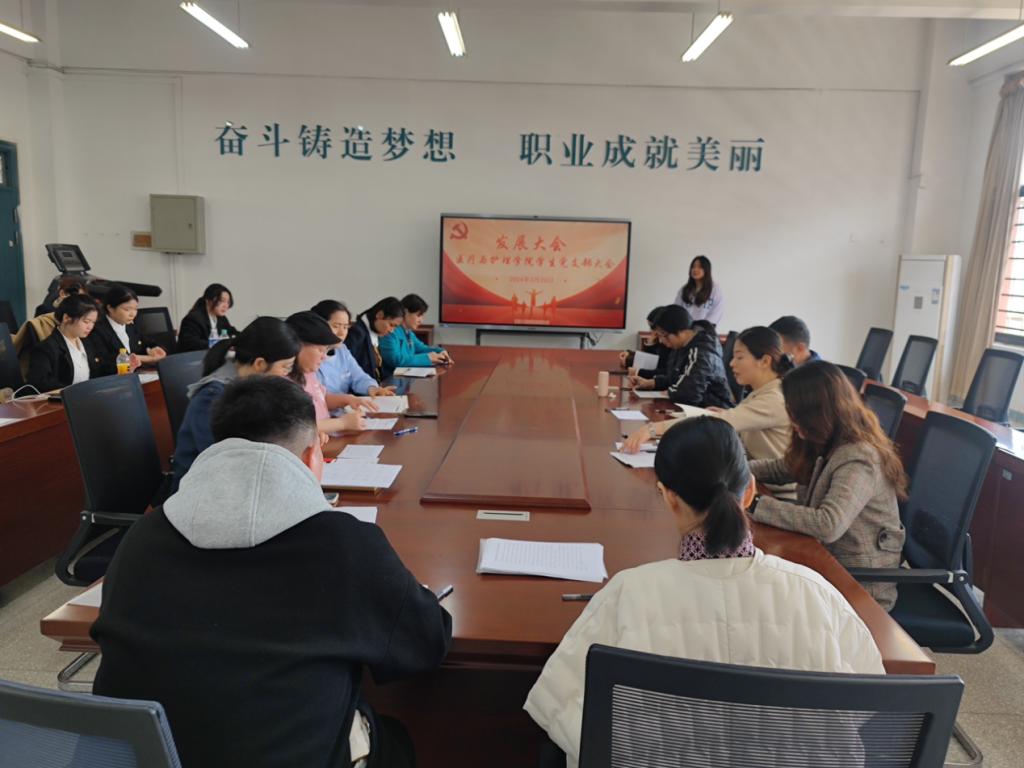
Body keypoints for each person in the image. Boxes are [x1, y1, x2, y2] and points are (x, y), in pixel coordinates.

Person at [91, 375, 453, 768]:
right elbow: (423, 645)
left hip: (140, 756)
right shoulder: (345, 544)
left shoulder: (143, 535)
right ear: (312, 455)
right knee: (398, 737)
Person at [524, 417, 885, 768]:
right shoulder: (816, 593)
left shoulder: (628, 594)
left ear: (668, 497)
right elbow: (868, 702)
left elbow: (560, 709)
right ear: (749, 492)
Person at [748, 361, 907, 611]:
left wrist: (754, 503)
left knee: (759, 595)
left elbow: (828, 524)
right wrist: (735, 469)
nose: (791, 419)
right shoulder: (824, 437)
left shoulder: (860, 457)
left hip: (858, 583)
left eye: (795, 413)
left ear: (816, 413)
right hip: (825, 560)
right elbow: (783, 468)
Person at [623, 326, 793, 464]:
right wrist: (728, 414)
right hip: (754, 475)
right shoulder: (763, 391)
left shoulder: (773, 399)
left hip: (768, 489)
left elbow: (718, 423)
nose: (732, 364)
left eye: (739, 357)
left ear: (765, 361)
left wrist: (652, 429)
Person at [172, 316, 300, 491]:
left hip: (238, 483)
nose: (287, 374)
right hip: (201, 492)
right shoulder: (211, 396)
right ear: (260, 364)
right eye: (285, 367)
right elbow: (221, 461)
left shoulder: (255, 387)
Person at [629, 305, 733, 408]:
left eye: (663, 335)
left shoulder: (702, 351)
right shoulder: (682, 345)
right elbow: (676, 378)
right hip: (695, 408)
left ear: (681, 332)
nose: (661, 340)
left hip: (713, 411)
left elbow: (688, 394)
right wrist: (652, 383)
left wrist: (671, 392)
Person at [286, 311, 366, 436]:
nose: (324, 357)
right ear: (297, 346)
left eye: (326, 350)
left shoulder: (308, 372)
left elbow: (321, 399)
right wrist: (342, 423)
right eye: (320, 350)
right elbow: (296, 427)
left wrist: (347, 399)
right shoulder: (284, 382)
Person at [311, 300, 395, 413]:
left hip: (344, 412)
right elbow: (316, 399)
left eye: (345, 327)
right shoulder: (309, 357)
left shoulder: (342, 350)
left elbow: (359, 376)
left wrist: (372, 389)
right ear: (318, 325)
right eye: (336, 326)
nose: (342, 333)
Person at [26, 294, 102, 392]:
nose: (90, 327)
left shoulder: (87, 343)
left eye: (93, 322)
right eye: (86, 321)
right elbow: (40, 382)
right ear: (66, 318)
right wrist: (73, 391)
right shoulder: (46, 348)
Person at [89, 284, 168, 376]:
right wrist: (142, 359)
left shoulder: (131, 325)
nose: (133, 314)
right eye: (127, 309)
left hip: (137, 375)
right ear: (110, 308)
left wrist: (155, 349)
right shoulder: (97, 330)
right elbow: (104, 364)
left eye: (135, 309)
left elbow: (147, 342)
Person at [379, 293, 452, 378]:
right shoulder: (390, 332)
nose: (421, 321)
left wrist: (440, 351)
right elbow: (396, 360)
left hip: (404, 379)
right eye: (418, 315)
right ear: (405, 312)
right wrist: (428, 358)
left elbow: (422, 348)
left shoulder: (408, 332)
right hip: (390, 380)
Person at [344, 296, 405, 382]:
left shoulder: (374, 333)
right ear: (379, 315)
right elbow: (349, 372)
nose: (392, 331)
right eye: (391, 325)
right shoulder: (357, 334)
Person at [177, 283, 239, 352]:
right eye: (222, 301)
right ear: (208, 300)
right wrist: (217, 344)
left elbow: (232, 332)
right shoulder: (193, 318)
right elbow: (190, 343)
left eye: (228, 302)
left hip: (210, 355)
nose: (226, 305)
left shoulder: (221, 318)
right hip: (192, 356)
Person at [673, 255, 724, 327]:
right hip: (684, 330)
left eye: (700, 267)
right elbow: (677, 310)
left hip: (704, 330)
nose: (695, 269)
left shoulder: (715, 290)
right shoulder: (684, 289)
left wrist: (700, 329)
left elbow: (716, 313)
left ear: (706, 270)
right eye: (693, 267)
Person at [618, 306, 669, 374]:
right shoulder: (659, 340)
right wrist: (630, 354)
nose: (650, 331)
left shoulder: (669, 344)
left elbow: (657, 366)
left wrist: (629, 361)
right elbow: (650, 358)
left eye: (652, 328)